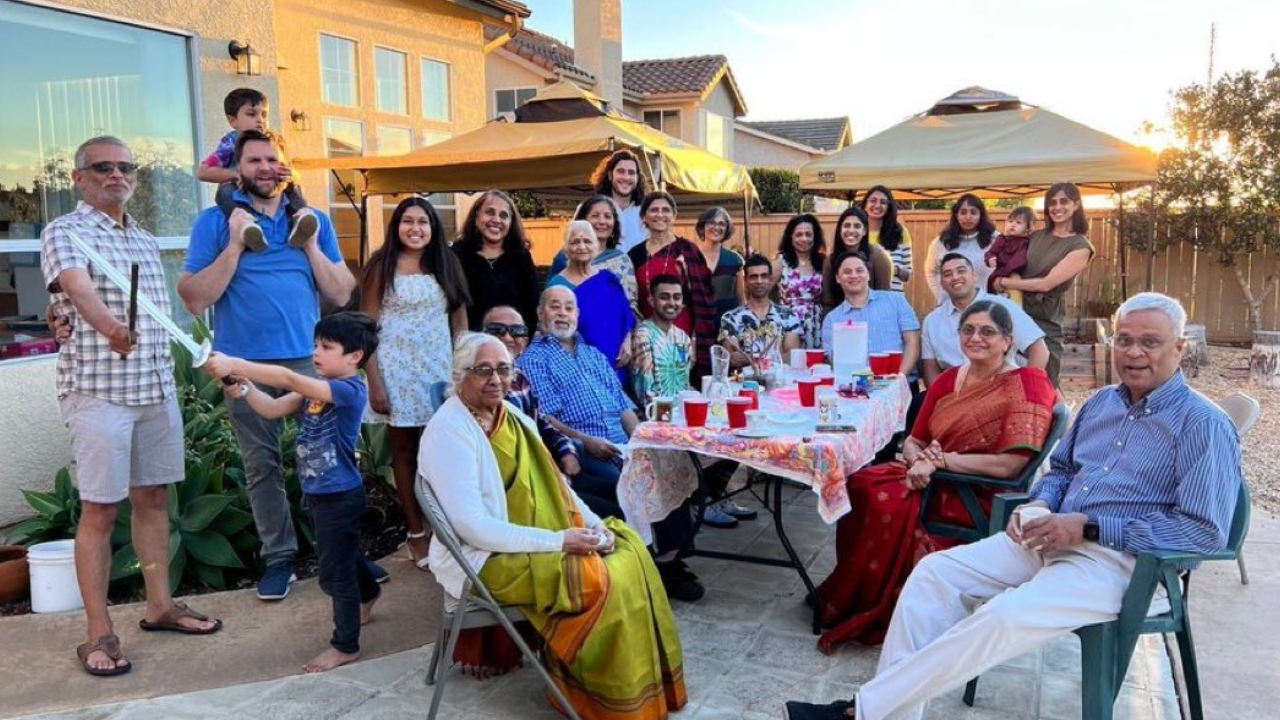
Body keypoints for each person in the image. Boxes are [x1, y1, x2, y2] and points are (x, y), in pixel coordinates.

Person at [785, 292, 1243, 720]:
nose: (1134, 353)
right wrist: (1041, 505)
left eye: (1150, 343)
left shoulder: (1203, 425)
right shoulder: (1103, 402)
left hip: (1122, 563)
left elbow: (1203, 532)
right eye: (1124, 340)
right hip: (1051, 535)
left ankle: (860, 712)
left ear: (1181, 349)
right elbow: (1060, 469)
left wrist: (1089, 528)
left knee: (1001, 616)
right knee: (932, 575)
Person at [417, 332, 687, 717]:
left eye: (504, 370)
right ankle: (599, 701)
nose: (496, 379)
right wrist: (561, 540)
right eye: (483, 371)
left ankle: (638, 690)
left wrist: (593, 525)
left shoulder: (511, 415)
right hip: (483, 559)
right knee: (595, 579)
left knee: (629, 549)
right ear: (460, 375)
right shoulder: (449, 432)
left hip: (529, 539)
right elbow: (472, 529)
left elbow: (559, 487)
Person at [41, 136, 222, 677]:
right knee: (99, 510)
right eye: (103, 168)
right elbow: (76, 289)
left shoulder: (142, 238)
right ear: (79, 177)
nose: (116, 175)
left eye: (125, 168)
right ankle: (98, 633)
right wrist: (110, 328)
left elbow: (159, 315)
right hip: (99, 393)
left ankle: (161, 606)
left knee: (153, 502)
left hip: (154, 390)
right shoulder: (65, 231)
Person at [812, 300, 1056, 653]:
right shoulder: (948, 379)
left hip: (976, 492)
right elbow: (914, 440)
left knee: (885, 503)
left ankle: (882, 606)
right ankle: (850, 594)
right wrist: (917, 463)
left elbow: (1011, 467)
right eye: (968, 330)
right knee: (861, 484)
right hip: (931, 476)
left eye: (987, 332)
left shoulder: (1027, 384)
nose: (976, 338)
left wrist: (941, 463)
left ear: (1007, 341)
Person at [180, 129, 359, 601]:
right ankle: (279, 559)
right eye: (254, 160)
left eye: (272, 160)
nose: (264, 168)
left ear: (285, 166)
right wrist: (236, 246)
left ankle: (342, 555)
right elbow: (195, 299)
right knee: (262, 466)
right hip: (245, 362)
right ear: (237, 169)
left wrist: (313, 247)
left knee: (330, 459)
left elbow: (341, 293)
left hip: (309, 359)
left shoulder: (312, 219)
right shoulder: (214, 223)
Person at [206, 313, 380, 674]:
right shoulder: (313, 390)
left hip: (341, 495)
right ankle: (369, 592)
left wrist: (236, 362)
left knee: (334, 575)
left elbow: (286, 377)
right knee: (342, 556)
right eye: (315, 345)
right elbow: (270, 409)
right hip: (319, 493)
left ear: (355, 357)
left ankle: (345, 646)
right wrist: (244, 387)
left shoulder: (349, 390)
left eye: (326, 347)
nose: (316, 352)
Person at [518, 288, 703, 599]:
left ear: (578, 315)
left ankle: (669, 557)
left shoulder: (593, 354)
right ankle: (650, 566)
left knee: (670, 467)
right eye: (555, 307)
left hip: (622, 444)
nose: (563, 314)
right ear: (540, 313)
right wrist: (587, 441)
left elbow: (623, 406)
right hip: (583, 448)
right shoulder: (534, 359)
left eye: (569, 308)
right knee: (633, 486)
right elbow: (546, 419)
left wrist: (643, 440)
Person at [360, 196, 470, 569]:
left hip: (438, 374)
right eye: (408, 221)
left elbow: (460, 324)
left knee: (440, 453)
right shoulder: (382, 266)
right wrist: (375, 382)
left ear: (433, 227)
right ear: (397, 226)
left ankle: (444, 529)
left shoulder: (446, 263)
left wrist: (462, 372)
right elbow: (367, 328)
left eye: (423, 222)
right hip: (396, 374)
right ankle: (416, 533)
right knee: (405, 453)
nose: (415, 229)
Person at [481, 306, 618, 519]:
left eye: (517, 331)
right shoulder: (485, 385)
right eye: (497, 330)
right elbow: (510, 453)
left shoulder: (518, 377)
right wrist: (554, 473)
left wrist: (566, 452)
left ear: (524, 340)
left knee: (619, 493)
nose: (508, 337)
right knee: (612, 512)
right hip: (527, 488)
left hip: (552, 470)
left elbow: (542, 421)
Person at [994, 182, 1095, 386]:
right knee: (1006, 380)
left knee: (1043, 384)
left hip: (1045, 320)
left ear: (1076, 205)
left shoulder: (1081, 247)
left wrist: (1004, 282)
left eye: (1064, 202)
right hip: (1014, 312)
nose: (1057, 207)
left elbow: (1046, 284)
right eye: (1052, 202)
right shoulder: (1035, 236)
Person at [196, 88, 316, 251]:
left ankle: (300, 220)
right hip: (237, 190)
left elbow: (290, 169)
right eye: (252, 114)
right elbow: (203, 172)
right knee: (223, 193)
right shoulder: (230, 143)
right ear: (233, 120)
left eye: (264, 114)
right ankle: (247, 227)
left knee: (292, 184)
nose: (260, 120)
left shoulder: (272, 141)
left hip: (268, 193)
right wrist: (234, 174)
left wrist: (293, 175)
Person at [921, 253, 1048, 386]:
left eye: (961, 271)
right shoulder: (932, 321)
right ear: (942, 283)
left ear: (974, 276)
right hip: (954, 392)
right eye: (948, 274)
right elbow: (930, 370)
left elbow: (1039, 350)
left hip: (1000, 388)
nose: (955, 277)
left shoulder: (1003, 306)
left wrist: (1027, 388)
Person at [628, 191, 717, 378]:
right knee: (649, 386)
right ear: (644, 216)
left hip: (680, 331)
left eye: (665, 210)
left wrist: (694, 339)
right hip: (645, 333)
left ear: (674, 216)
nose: (660, 214)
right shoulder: (634, 254)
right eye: (653, 210)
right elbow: (630, 297)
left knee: (677, 382)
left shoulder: (687, 251)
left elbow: (703, 299)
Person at [548, 220, 635, 388]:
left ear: (596, 246)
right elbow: (552, 332)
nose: (582, 246)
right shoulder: (557, 284)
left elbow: (626, 315)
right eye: (575, 242)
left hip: (616, 362)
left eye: (587, 241)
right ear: (565, 248)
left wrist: (627, 341)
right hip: (578, 368)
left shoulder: (608, 278)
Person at [453, 189, 540, 331]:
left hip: (511, 342)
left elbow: (531, 307)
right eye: (490, 212)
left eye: (504, 215)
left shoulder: (521, 257)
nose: (496, 220)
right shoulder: (458, 255)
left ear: (511, 222)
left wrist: (521, 340)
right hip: (471, 343)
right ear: (476, 216)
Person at [821, 252, 920, 376]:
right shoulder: (832, 320)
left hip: (899, 383)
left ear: (868, 275)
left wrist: (900, 378)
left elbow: (913, 342)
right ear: (838, 278)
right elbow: (834, 360)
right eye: (847, 272)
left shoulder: (895, 301)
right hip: (854, 388)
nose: (854, 275)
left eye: (859, 270)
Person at [547, 195, 640, 313]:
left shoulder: (621, 260)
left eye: (607, 216)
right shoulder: (564, 257)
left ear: (614, 224)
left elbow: (630, 304)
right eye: (595, 216)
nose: (602, 221)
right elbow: (550, 299)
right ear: (583, 221)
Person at [720, 254, 802, 372]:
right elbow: (733, 359)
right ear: (745, 280)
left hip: (780, 382)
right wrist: (774, 356)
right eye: (753, 277)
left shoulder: (788, 315)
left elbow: (792, 355)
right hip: (745, 384)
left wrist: (750, 358)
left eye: (764, 276)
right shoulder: (730, 318)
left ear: (770, 279)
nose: (759, 281)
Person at [924, 193, 998, 304]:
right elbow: (930, 271)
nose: (968, 217)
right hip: (953, 307)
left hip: (989, 305)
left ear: (981, 215)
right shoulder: (941, 242)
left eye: (973, 212)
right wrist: (942, 297)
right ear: (956, 215)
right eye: (963, 212)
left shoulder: (996, 240)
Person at [631, 274, 693, 403]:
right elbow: (645, 391)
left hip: (681, 414)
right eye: (664, 297)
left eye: (677, 297)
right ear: (652, 301)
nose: (671, 303)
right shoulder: (643, 336)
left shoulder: (683, 338)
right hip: (654, 415)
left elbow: (684, 381)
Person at [774, 213, 826, 349]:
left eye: (808, 234)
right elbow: (762, 291)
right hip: (788, 325)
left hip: (817, 326)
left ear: (815, 237)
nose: (804, 238)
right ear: (790, 237)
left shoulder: (824, 262)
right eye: (799, 234)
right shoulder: (781, 262)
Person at [825, 205, 893, 302]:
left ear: (864, 231)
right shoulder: (830, 261)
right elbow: (828, 302)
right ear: (840, 230)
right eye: (847, 225)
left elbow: (884, 297)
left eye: (857, 226)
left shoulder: (877, 256)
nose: (851, 230)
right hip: (840, 315)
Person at [693, 206, 745, 329]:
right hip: (697, 324)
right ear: (702, 226)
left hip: (727, 326)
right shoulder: (690, 258)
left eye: (722, 224)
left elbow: (741, 300)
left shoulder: (735, 260)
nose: (717, 227)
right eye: (711, 222)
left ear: (727, 229)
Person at [591, 148, 649, 253]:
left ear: (637, 177)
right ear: (610, 175)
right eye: (621, 171)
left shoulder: (647, 213)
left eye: (631, 172)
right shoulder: (591, 211)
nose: (626, 177)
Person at [861, 185, 913, 291]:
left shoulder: (900, 232)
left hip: (892, 300)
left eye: (883, 202)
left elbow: (908, 275)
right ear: (865, 204)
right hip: (864, 300)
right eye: (873, 201)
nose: (877, 205)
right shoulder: (858, 232)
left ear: (889, 206)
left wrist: (895, 270)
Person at [985, 206, 1036, 304]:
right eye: (1010, 221)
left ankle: (1016, 315)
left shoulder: (1027, 242)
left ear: (1028, 228)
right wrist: (990, 258)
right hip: (1001, 273)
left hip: (1019, 275)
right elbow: (991, 252)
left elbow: (1022, 260)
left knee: (1016, 297)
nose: (1013, 225)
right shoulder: (1002, 239)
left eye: (1018, 223)